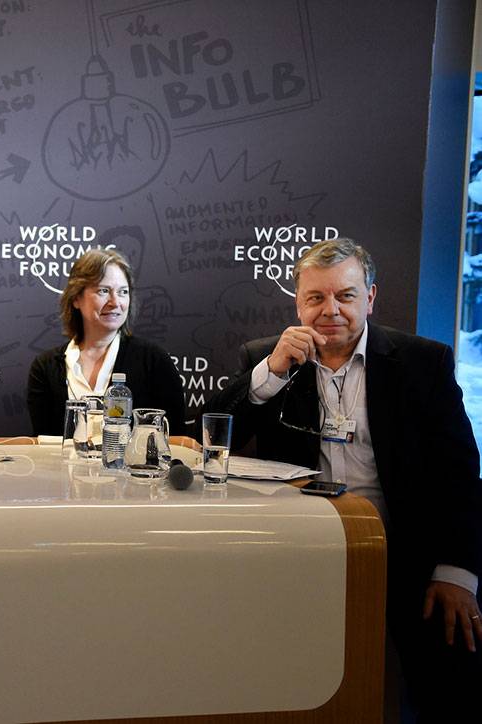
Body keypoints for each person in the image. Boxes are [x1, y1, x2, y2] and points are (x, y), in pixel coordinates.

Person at [205, 238, 482, 719]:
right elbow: (212, 436)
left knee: (435, 687)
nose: (330, 310)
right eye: (316, 298)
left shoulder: (422, 362)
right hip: (303, 552)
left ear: (370, 298)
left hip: (406, 553)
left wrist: (456, 571)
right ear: (298, 302)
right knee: (290, 687)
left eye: (345, 296)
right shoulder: (268, 357)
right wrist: (270, 372)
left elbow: (459, 472)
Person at [27, 248, 187, 437]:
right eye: (103, 291)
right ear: (76, 298)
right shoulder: (45, 368)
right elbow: (44, 446)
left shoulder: (154, 361)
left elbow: (175, 440)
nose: (115, 302)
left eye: (123, 292)